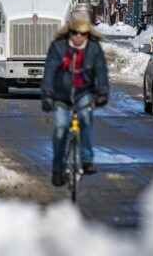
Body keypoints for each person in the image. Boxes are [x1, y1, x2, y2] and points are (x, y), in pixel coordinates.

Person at [41, 15, 109, 187]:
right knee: (60, 129)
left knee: (85, 118)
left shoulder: (94, 49)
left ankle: (86, 160)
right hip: (61, 95)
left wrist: (102, 93)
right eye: (74, 33)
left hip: (83, 93)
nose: (78, 37)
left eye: (83, 33)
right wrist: (47, 95)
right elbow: (49, 72)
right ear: (68, 33)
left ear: (88, 35)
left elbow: (101, 72)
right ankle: (58, 169)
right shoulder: (58, 47)